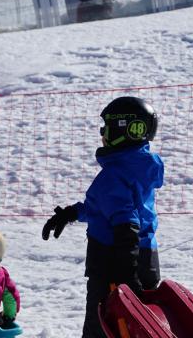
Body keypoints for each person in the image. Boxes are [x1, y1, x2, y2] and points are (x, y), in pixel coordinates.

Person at [42, 96, 164, 338]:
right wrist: (72, 213)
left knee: (102, 327)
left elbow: (125, 223)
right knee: (135, 327)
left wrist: (126, 275)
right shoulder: (137, 167)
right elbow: (106, 208)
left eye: (106, 127)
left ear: (124, 129)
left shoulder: (114, 174)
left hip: (114, 263)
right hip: (145, 257)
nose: (102, 133)